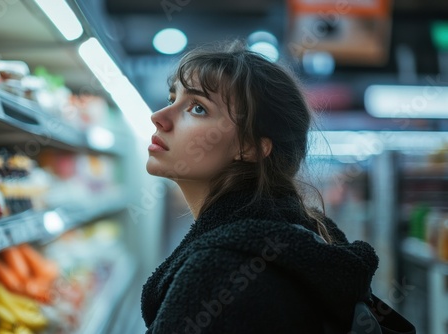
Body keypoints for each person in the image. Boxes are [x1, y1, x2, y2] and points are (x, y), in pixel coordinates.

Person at [141, 41, 379, 334]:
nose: (159, 117)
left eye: (198, 108)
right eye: (172, 97)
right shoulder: (299, 239)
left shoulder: (219, 273)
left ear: (251, 147)